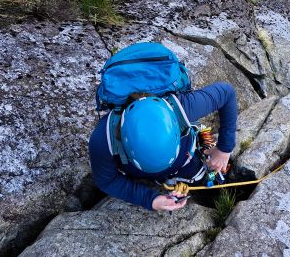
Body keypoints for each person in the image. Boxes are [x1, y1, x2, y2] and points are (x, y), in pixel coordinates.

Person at [89, 81, 237, 212]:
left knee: (202, 176)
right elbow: (107, 180)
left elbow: (227, 92)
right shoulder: (102, 141)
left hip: (187, 159)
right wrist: (149, 199)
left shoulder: (184, 107)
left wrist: (225, 148)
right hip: (169, 165)